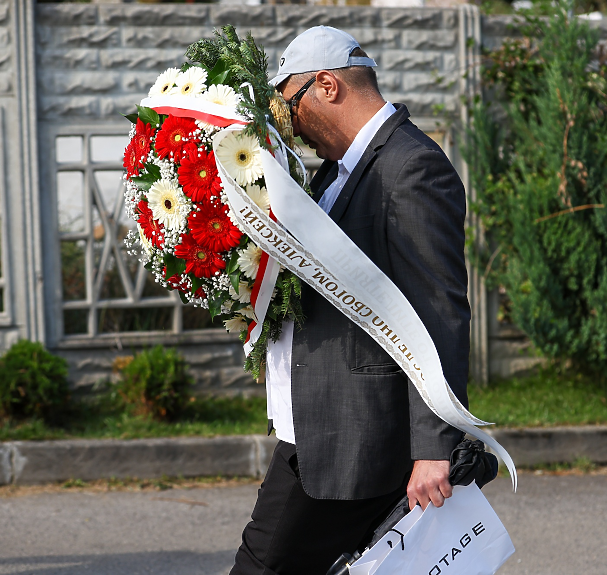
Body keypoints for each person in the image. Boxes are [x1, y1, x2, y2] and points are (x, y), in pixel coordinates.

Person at [230, 26, 471, 575]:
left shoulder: (410, 168)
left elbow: (438, 311)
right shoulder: (337, 171)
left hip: (359, 439)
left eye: (288, 105)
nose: (287, 122)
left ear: (326, 86)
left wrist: (434, 448)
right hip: (321, 428)